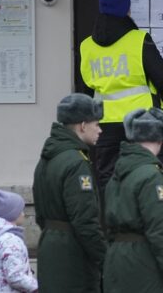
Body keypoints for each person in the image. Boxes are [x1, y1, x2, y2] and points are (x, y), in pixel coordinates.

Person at [79, 0, 163, 191]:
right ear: (127, 11)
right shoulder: (138, 40)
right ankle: (147, 219)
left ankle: (117, 222)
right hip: (142, 121)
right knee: (149, 175)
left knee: (108, 178)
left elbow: (86, 88)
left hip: (105, 124)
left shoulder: (87, 46)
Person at [103, 108, 163, 293]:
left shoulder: (117, 174)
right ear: (160, 139)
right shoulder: (151, 175)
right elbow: (160, 233)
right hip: (143, 264)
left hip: (115, 261)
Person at [32, 93, 107, 292]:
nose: (100, 130)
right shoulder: (76, 163)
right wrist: (106, 259)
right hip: (73, 257)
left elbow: (40, 214)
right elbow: (85, 222)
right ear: (82, 125)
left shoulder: (47, 158)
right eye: (96, 124)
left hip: (49, 248)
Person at [0, 190, 38, 293]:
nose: (23, 214)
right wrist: (37, 286)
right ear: (12, 214)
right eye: (20, 211)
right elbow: (15, 277)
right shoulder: (11, 241)